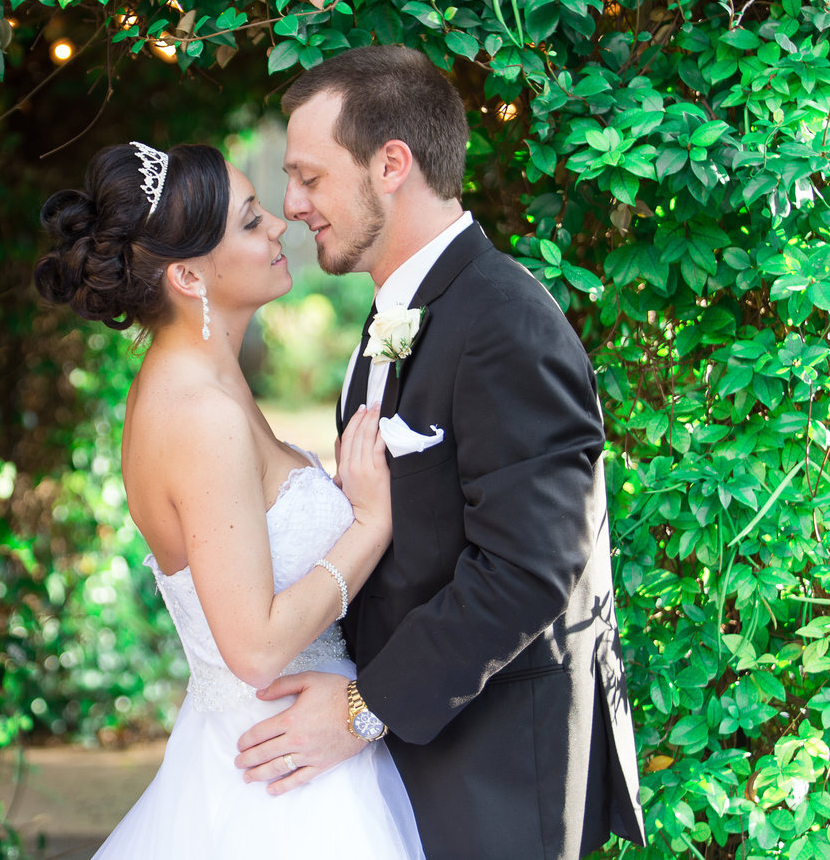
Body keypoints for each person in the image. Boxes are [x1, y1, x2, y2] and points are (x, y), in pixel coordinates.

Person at [233, 46, 648, 858]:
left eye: (311, 177)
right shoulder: (398, 312)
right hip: (416, 765)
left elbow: (530, 567)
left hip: (496, 773)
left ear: (391, 164)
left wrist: (363, 707)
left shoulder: (505, 322)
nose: (294, 203)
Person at [34, 141, 424, 858]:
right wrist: (368, 522)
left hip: (296, 748)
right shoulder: (197, 413)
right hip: (281, 784)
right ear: (187, 274)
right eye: (250, 221)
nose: (278, 224)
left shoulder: (204, 381)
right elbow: (254, 645)